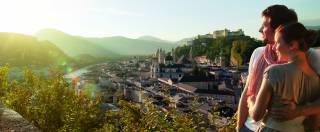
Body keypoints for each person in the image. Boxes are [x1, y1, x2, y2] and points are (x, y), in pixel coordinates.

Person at [236, 5, 320, 132]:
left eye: (264, 26)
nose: (260, 29)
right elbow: (247, 92)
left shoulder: (311, 56)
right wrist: (239, 127)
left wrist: (298, 111)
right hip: (249, 127)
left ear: (280, 28)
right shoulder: (258, 53)